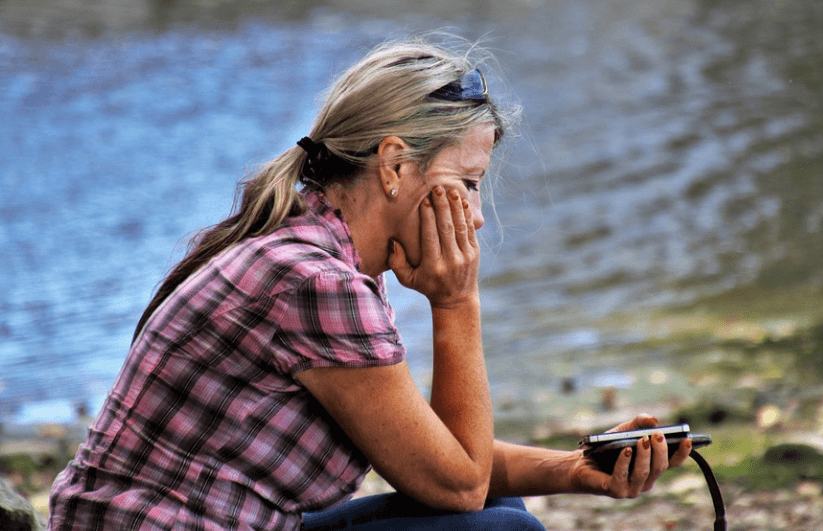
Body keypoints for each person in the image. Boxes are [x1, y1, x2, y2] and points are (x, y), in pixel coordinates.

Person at [47, 37, 691, 530]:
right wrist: (455, 302)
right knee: (495, 525)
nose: (476, 213)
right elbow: (459, 483)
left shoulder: (314, 250)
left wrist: (578, 470)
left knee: (500, 505)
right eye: (467, 183)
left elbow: (440, 457)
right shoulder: (315, 283)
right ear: (393, 164)